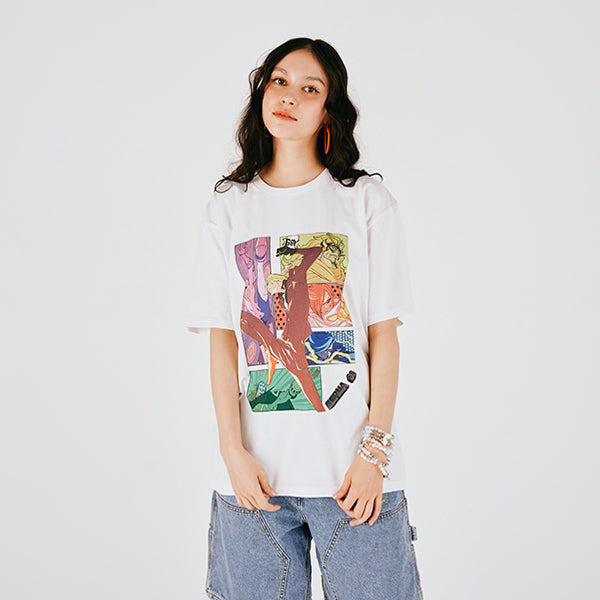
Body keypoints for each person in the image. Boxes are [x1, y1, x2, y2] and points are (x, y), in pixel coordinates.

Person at [185, 37, 423, 600]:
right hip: (253, 484)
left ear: (328, 113)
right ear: (262, 93)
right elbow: (222, 340)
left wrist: (374, 453)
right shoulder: (228, 206)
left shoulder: (365, 201)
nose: (289, 96)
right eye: (279, 81)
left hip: (354, 479)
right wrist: (231, 451)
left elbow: (383, 338)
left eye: (309, 88)